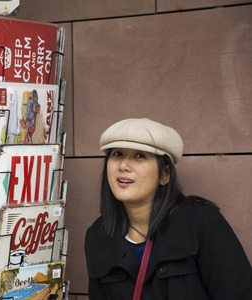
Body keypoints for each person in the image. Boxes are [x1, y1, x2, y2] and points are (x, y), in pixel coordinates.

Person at [85, 118, 252, 299]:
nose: (123, 166)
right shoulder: (98, 235)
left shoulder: (200, 222)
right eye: (117, 154)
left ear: (165, 174)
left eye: (139, 155)